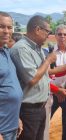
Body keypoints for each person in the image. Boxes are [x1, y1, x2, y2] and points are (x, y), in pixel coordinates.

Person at [10, 15, 66, 140]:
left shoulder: (37, 48)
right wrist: (48, 60)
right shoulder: (22, 49)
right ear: (38, 29)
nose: (49, 35)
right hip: (28, 110)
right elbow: (32, 79)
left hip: (40, 107)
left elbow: (44, 72)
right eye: (47, 31)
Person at [0, 11, 23, 140]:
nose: (6, 31)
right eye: (1, 26)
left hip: (11, 127)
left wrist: (16, 118)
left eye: (9, 27)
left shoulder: (6, 52)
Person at [50, 24, 66, 140]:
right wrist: (57, 91)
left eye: (65, 34)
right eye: (59, 34)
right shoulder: (49, 51)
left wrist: (64, 91)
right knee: (44, 122)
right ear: (55, 36)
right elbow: (47, 74)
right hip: (52, 93)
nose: (62, 37)